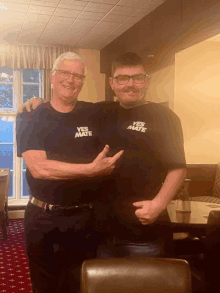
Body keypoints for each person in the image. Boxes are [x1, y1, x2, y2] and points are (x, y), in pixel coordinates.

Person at [18, 52, 186, 258]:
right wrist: (36, 102)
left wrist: (159, 204)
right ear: (112, 83)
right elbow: (62, 107)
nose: (130, 84)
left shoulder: (165, 117)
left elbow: (178, 167)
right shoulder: (99, 111)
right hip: (99, 229)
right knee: (96, 285)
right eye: (123, 78)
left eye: (137, 78)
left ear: (146, 81)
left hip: (143, 228)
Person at [16, 52, 123, 293]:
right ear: (52, 76)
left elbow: (128, 105)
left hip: (84, 219)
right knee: (44, 285)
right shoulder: (30, 115)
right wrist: (90, 170)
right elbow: (39, 167)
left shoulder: (94, 112)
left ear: (83, 81)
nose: (70, 80)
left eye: (77, 75)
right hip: (42, 218)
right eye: (64, 73)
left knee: (80, 283)